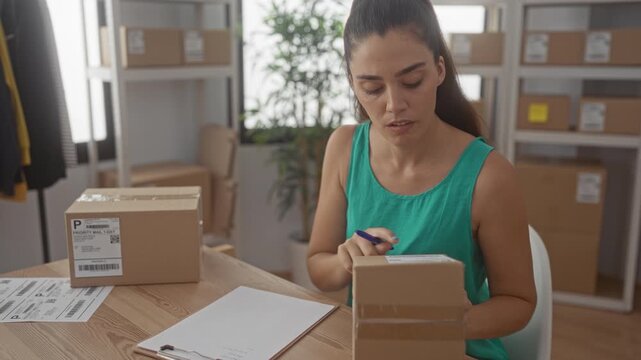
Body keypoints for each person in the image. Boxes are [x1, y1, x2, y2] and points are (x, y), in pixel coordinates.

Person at [306, 0, 536, 358]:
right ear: (352, 83)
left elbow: (519, 302)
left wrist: (451, 324)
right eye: (372, 88)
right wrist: (345, 260)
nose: (394, 105)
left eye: (412, 81)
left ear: (439, 70)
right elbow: (319, 269)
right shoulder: (344, 149)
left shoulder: (489, 176)